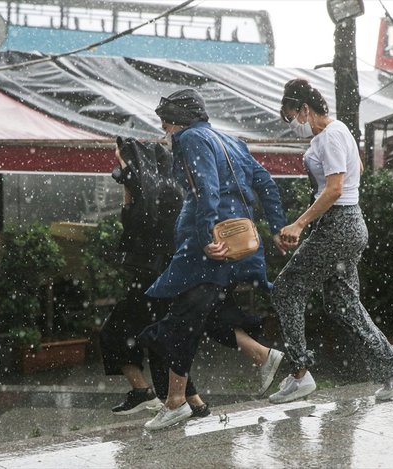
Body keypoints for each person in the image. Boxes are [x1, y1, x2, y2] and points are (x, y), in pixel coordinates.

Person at [140, 88, 290, 431]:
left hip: (205, 248)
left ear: (175, 121)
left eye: (165, 122)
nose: (164, 129)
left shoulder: (190, 138)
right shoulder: (230, 140)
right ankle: (265, 358)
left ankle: (177, 402)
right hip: (238, 244)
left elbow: (205, 188)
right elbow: (265, 181)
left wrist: (207, 236)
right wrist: (278, 226)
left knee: (178, 320)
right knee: (207, 316)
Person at [268, 78, 393, 405]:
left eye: (293, 116)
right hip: (348, 225)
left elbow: (335, 189)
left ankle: (299, 375)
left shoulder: (330, 136)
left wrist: (300, 223)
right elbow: (357, 168)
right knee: (342, 304)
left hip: (338, 225)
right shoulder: (337, 131)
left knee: (286, 288)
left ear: (305, 109)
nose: (294, 125)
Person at [99, 136, 210, 418]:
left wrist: (128, 183)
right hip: (168, 274)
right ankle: (191, 401)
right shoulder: (170, 188)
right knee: (159, 335)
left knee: (123, 334)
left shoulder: (151, 196)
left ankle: (152, 393)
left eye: (121, 163)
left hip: (151, 276)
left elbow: (132, 229)